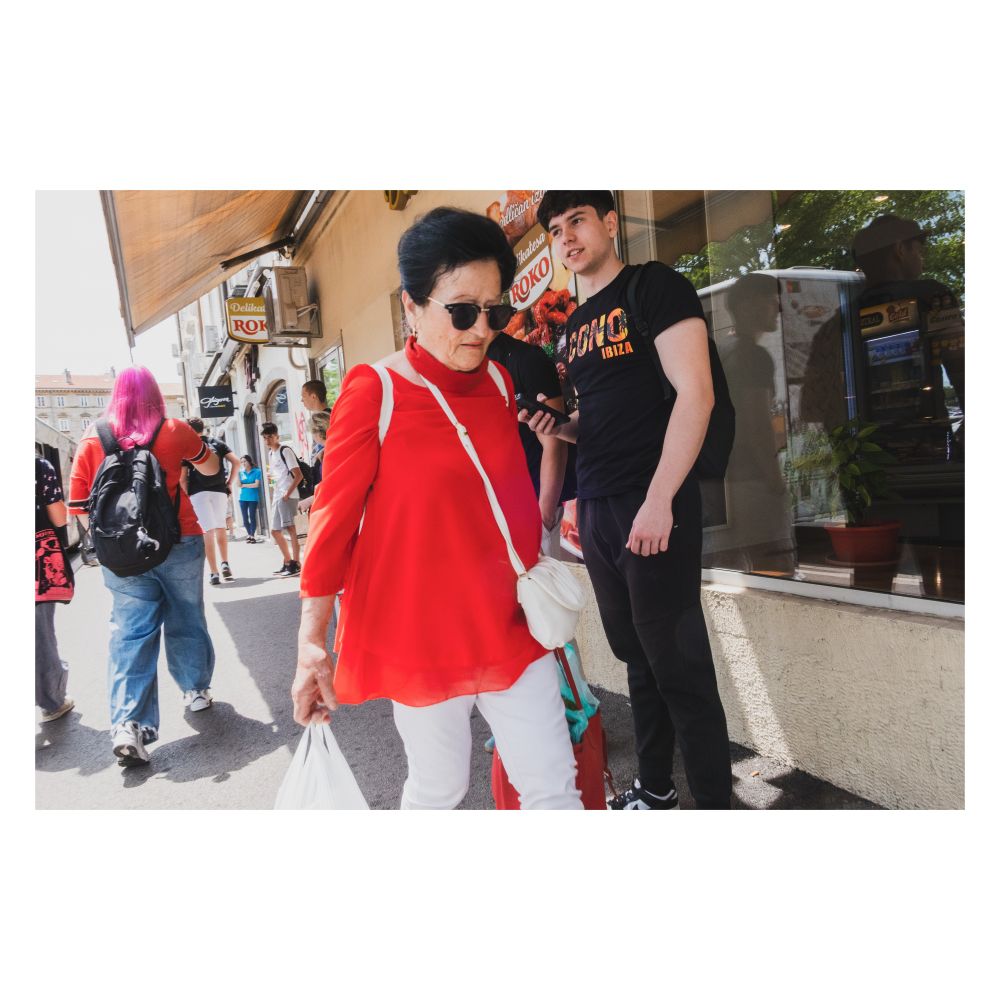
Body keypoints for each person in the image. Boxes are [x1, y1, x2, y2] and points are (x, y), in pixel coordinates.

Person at [292, 206, 583, 810]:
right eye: (462, 311)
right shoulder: (375, 391)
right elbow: (332, 523)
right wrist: (311, 640)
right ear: (412, 306)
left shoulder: (500, 383)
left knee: (553, 785)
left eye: (495, 311)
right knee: (439, 787)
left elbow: (498, 495)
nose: (481, 329)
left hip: (509, 621)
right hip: (423, 632)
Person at [527, 191, 732, 809]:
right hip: (600, 506)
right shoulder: (572, 328)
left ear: (611, 223)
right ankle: (656, 788)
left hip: (654, 502)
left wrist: (661, 499)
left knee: (681, 666)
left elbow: (696, 394)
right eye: (556, 230)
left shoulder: (654, 286)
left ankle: (716, 806)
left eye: (578, 221)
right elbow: (599, 421)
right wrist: (558, 429)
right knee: (637, 658)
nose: (566, 237)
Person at [67, 366, 220, 766]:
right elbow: (211, 468)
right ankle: (195, 690)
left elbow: (78, 505)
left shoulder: (93, 436)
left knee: (130, 633)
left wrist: (115, 536)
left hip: (121, 553)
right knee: (186, 614)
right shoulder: (175, 430)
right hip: (179, 539)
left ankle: (128, 724)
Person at [486, 329, 573, 557]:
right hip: (491, 509)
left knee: (543, 577)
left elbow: (555, 443)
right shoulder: (465, 368)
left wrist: (544, 517)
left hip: (532, 505)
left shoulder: (525, 359)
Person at [36, 455, 74, 723]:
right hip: (36, 565)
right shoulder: (38, 467)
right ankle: (51, 701)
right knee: (38, 634)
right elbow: (59, 518)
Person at [181, 418, 239, 584]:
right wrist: (229, 483)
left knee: (207, 531)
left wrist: (185, 496)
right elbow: (236, 462)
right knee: (221, 526)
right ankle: (225, 563)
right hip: (219, 490)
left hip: (198, 493)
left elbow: (183, 478)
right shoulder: (217, 443)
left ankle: (214, 573)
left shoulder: (188, 448)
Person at [262, 422, 303, 577]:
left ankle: (296, 563)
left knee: (291, 529)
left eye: (270, 437)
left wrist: (287, 493)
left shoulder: (285, 451)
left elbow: (298, 475)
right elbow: (277, 475)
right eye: (265, 438)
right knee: (275, 531)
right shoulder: (271, 454)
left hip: (288, 496)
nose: (268, 440)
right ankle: (287, 561)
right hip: (278, 495)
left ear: (277, 436)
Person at [297, 411, 329, 516]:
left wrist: (310, 500)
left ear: (318, 433)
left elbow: (332, 485)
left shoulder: (330, 453)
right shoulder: (327, 450)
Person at [238, 455, 263, 542]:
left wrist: (244, 485)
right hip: (242, 498)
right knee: (245, 518)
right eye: (242, 462)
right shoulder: (240, 472)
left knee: (252, 516)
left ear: (249, 461)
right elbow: (238, 485)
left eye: (245, 461)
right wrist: (236, 474)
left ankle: (252, 535)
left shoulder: (257, 471)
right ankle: (249, 534)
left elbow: (256, 485)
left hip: (253, 498)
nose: (243, 463)